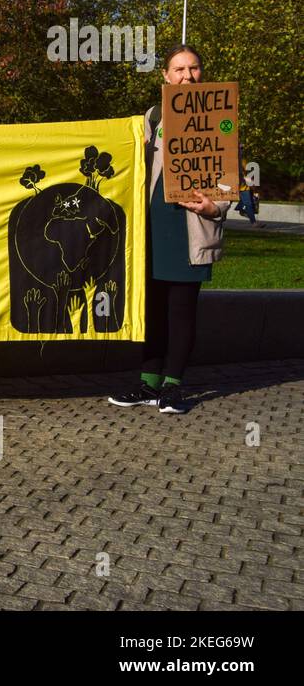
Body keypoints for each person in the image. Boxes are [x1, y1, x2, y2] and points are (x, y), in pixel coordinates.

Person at [109, 45, 231, 415]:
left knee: (181, 311)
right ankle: (148, 383)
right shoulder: (152, 116)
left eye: (193, 68)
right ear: (165, 75)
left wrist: (215, 207)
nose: (186, 76)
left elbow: (227, 174)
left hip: (191, 229)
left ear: (202, 74)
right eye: (178, 69)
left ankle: (173, 387)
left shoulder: (220, 114)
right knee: (152, 309)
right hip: (152, 227)